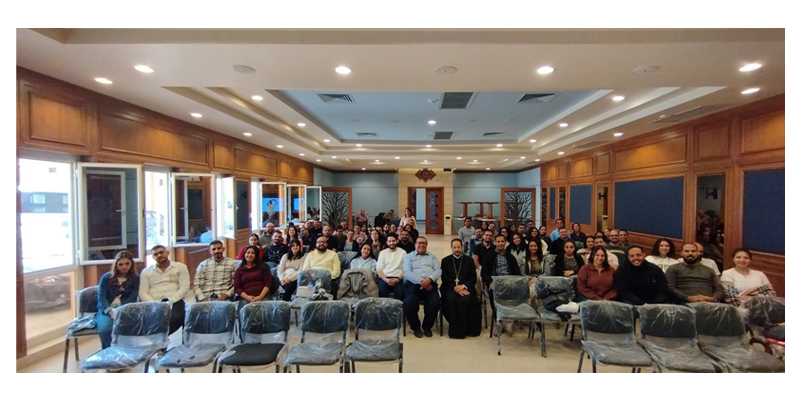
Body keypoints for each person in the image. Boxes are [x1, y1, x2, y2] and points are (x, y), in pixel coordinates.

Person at [140, 245, 190, 335]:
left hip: (175, 301)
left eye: (161, 252)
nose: (159, 255)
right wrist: (154, 304)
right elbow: (143, 293)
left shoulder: (180, 267)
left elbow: (184, 287)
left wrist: (171, 301)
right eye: (156, 254)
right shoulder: (146, 271)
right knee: (151, 320)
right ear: (153, 257)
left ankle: (162, 338)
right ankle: (160, 339)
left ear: (167, 253)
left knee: (176, 318)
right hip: (154, 303)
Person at [96, 251, 140, 349]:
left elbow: (133, 297)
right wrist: (110, 311)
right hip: (106, 311)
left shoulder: (136, 278)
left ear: (131, 264)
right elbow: (101, 297)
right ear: (116, 264)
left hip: (126, 310)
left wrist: (120, 311)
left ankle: (128, 352)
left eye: (127, 263)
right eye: (121, 264)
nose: (124, 267)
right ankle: (108, 353)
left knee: (131, 328)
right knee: (105, 329)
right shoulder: (106, 277)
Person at [440, 238, 481, 339]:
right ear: (451, 248)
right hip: (449, 288)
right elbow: (444, 278)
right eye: (454, 247)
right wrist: (455, 288)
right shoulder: (445, 261)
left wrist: (463, 286)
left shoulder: (469, 260)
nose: (457, 250)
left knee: (466, 300)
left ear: (462, 247)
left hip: (466, 288)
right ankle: (455, 331)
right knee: (451, 301)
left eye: (458, 247)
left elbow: (473, 278)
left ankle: (466, 329)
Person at [481, 235, 521, 334]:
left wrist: (515, 282)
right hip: (495, 282)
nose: (500, 244)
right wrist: (489, 282)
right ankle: (498, 322)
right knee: (494, 295)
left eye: (502, 241)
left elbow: (517, 272)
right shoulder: (489, 256)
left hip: (509, 282)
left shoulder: (510, 257)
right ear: (495, 243)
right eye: (498, 242)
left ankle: (510, 321)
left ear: (505, 243)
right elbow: (484, 272)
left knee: (516, 294)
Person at [403, 236, 442, 338]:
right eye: (419, 243)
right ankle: (416, 327)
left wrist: (429, 280)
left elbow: (438, 270)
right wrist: (422, 282)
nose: (421, 245)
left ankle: (427, 327)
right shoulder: (409, 256)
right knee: (409, 303)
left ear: (426, 245)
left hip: (430, 284)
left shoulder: (432, 256)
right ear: (415, 244)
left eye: (424, 243)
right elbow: (407, 272)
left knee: (435, 303)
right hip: (413, 285)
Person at [234, 245, 272, 310]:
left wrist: (260, 297)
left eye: (253, 253)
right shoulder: (239, 270)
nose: (250, 255)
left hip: (263, 295)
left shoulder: (263, 267)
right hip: (246, 297)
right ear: (244, 254)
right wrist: (247, 297)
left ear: (256, 255)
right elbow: (237, 288)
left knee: (266, 311)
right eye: (248, 252)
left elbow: (268, 283)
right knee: (244, 311)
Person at [376, 233, 407, 300]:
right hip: (385, 278)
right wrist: (386, 280)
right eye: (389, 241)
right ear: (387, 242)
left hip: (398, 278)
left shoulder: (403, 252)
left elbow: (405, 269)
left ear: (397, 241)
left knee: (400, 293)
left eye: (393, 241)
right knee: (381, 292)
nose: (391, 243)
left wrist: (398, 279)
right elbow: (379, 269)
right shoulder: (383, 253)